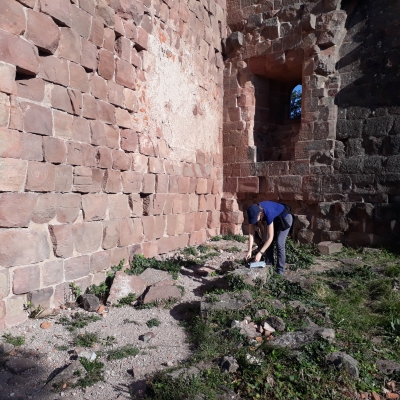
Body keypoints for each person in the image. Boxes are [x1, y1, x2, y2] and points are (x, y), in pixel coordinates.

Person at [245, 201, 293, 275]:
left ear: (260, 214)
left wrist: (260, 253)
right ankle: (269, 264)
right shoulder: (252, 212)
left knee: (279, 242)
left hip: (285, 218)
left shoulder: (268, 213)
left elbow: (270, 238)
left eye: (255, 219)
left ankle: (280, 271)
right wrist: (249, 250)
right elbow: (251, 233)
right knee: (266, 241)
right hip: (276, 219)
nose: (255, 221)